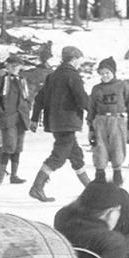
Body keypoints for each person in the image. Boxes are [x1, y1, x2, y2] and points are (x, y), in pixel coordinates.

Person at [29, 46, 91, 202]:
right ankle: (37, 187)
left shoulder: (53, 76)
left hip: (55, 123)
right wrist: (94, 110)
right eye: (79, 60)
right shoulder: (73, 76)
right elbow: (81, 99)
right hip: (68, 122)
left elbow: (39, 98)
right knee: (58, 156)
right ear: (74, 58)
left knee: (76, 156)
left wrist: (35, 118)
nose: (79, 64)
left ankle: (90, 190)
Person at [0, 55, 32, 185]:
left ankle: (14, 175)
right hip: (7, 118)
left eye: (17, 65)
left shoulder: (23, 81)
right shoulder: (1, 81)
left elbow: (26, 98)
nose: (15, 67)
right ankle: (1, 177)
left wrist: (27, 110)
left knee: (18, 147)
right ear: (7, 66)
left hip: (21, 119)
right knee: (7, 147)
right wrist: (1, 114)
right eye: (12, 65)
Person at [88, 56, 129, 186]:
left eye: (107, 73)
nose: (105, 76)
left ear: (113, 72)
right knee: (100, 148)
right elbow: (91, 108)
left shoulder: (122, 85)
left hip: (117, 120)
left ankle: (117, 174)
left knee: (117, 147)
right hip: (100, 121)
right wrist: (91, 128)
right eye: (102, 73)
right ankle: (100, 176)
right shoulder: (96, 89)